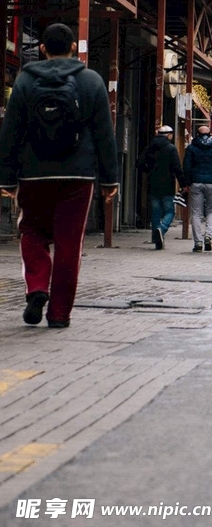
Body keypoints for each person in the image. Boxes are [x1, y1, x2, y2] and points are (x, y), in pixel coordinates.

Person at [0, 23, 118, 328]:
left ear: (42, 48)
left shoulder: (25, 80)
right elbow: (105, 134)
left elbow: (10, 132)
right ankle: (59, 314)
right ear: (73, 48)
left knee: (30, 232)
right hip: (78, 176)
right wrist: (109, 179)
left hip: (33, 173)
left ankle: (37, 286)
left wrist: (7, 179)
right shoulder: (91, 81)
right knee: (69, 242)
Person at [137, 124, 184, 250]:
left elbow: (140, 162)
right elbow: (177, 168)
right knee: (170, 211)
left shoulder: (150, 147)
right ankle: (161, 229)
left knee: (155, 212)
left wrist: (149, 170)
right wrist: (183, 184)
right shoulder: (171, 148)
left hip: (152, 183)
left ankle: (155, 238)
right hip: (167, 183)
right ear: (168, 135)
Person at [183, 125, 212, 252]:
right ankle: (208, 236)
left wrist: (187, 183)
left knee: (196, 213)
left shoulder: (191, 148)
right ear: (210, 134)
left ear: (197, 134)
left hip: (196, 182)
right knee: (211, 210)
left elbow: (187, 166)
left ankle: (198, 242)